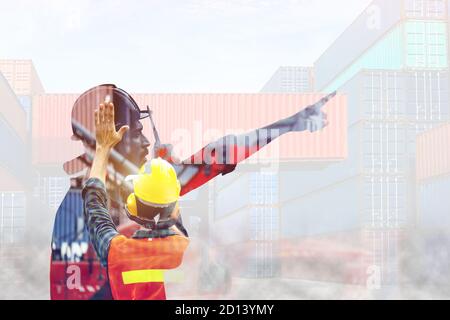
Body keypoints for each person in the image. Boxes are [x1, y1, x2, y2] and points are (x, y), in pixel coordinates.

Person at [50, 84, 335, 300]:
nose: (146, 142)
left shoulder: (131, 192)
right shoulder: (80, 211)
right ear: (112, 141)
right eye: (137, 132)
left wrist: (288, 124)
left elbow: (219, 154)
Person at [84, 100, 189, 300]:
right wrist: (165, 170)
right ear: (174, 209)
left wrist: (103, 148)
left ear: (133, 205)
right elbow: (173, 211)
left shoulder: (117, 251)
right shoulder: (186, 249)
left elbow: (94, 205)